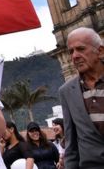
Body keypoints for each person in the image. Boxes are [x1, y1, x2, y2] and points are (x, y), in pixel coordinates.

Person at [58, 27, 104, 168]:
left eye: (80, 49)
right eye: (71, 51)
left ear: (100, 51)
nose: (74, 56)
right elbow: (71, 144)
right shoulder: (67, 91)